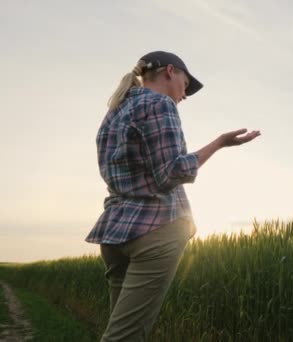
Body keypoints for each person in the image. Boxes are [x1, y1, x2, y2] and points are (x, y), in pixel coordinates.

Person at [85, 50, 261, 341]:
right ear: (170, 71)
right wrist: (218, 143)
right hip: (155, 230)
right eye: (185, 84)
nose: (185, 94)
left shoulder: (114, 111)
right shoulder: (160, 104)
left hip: (114, 232)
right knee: (124, 337)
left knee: (118, 330)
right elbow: (172, 173)